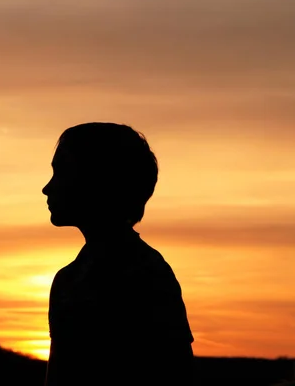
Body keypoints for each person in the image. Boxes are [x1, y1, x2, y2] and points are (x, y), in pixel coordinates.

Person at [42, 122, 195, 386]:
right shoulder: (69, 279)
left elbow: (175, 373)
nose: (47, 187)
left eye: (61, 173)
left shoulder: (145, 274)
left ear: (96, 181)